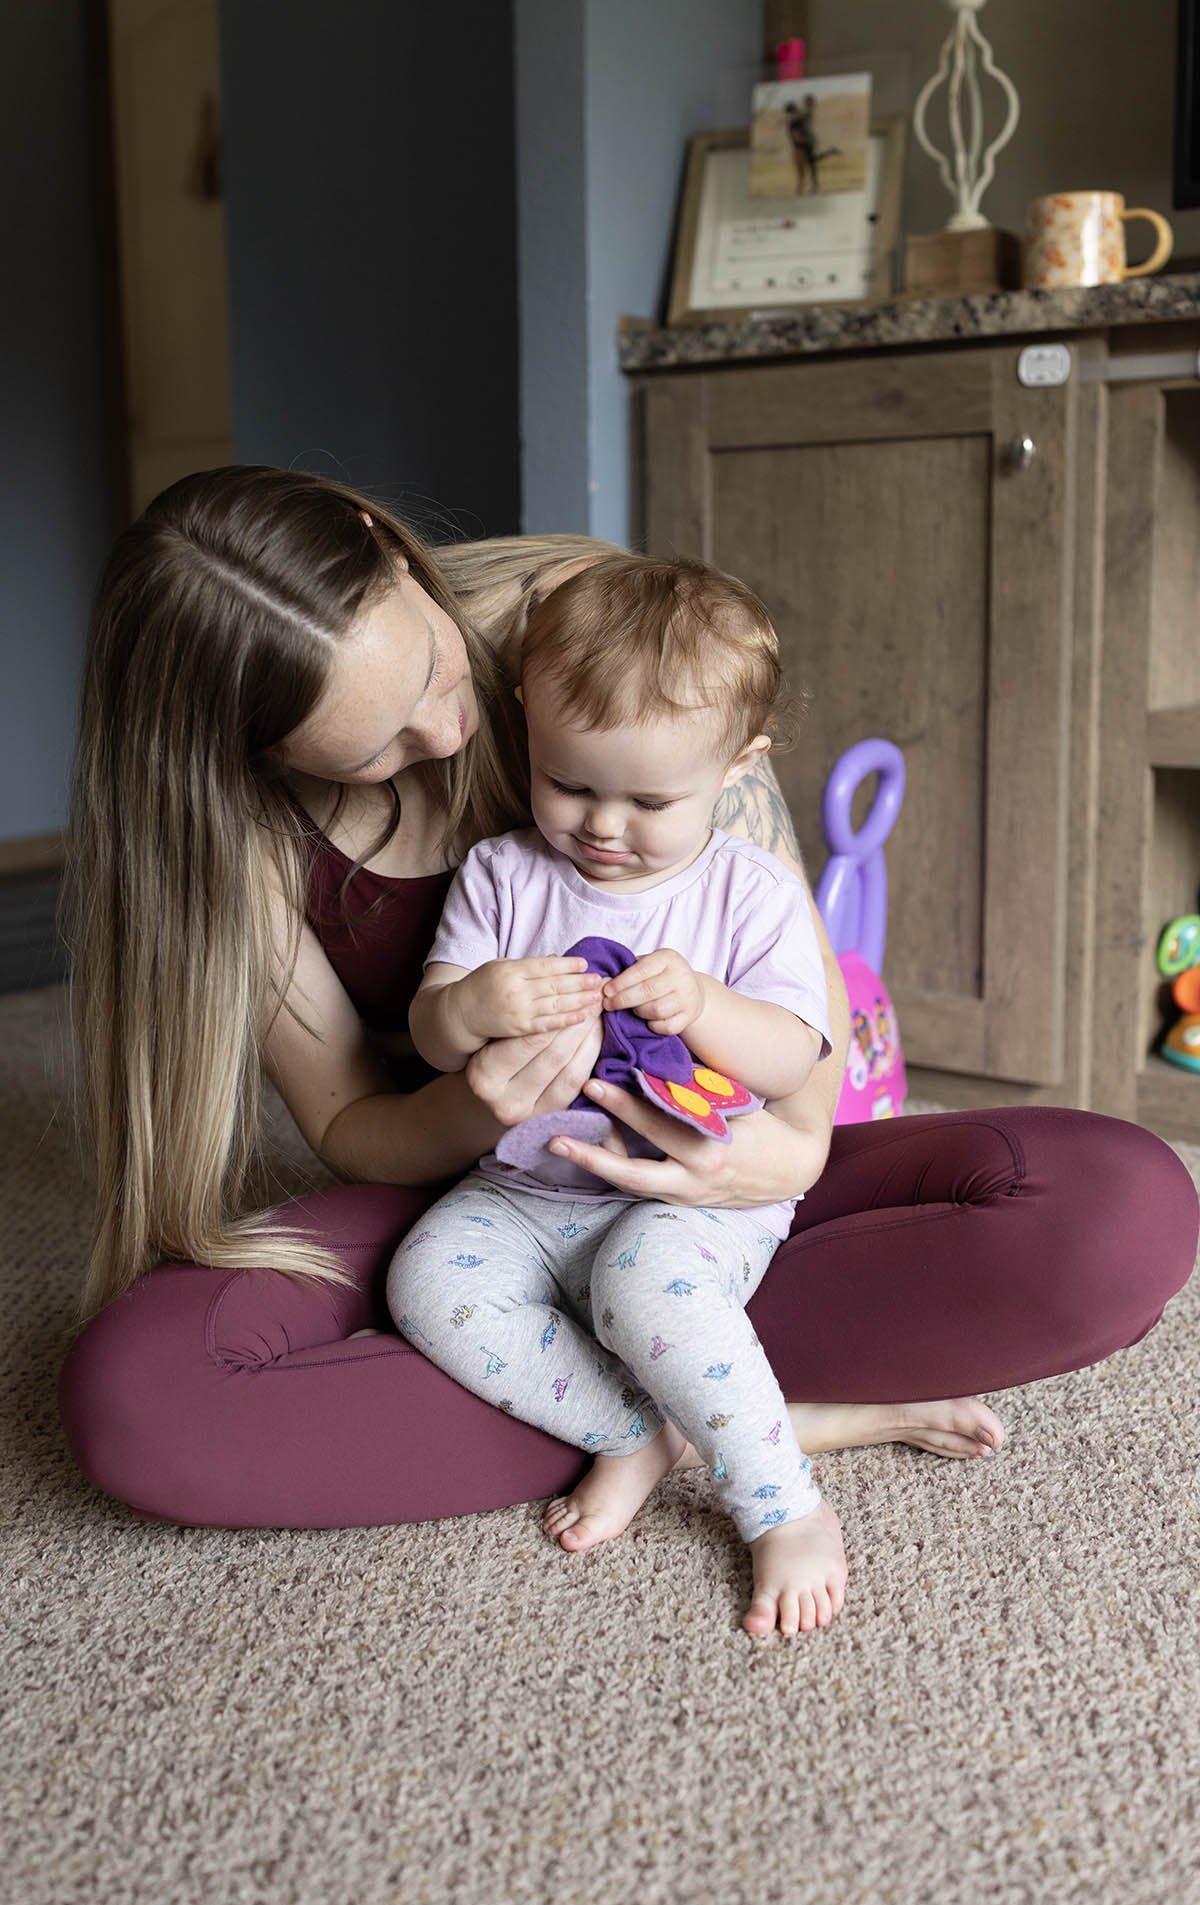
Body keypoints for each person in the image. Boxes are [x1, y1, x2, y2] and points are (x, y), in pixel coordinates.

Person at [58, 467, 1197, 1640]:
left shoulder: (617, 640)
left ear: (380, 543)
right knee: (147, 1401)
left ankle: (704, 1410)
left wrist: (770, 1157)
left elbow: (798, 1042)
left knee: (1122, 1208)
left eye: (436, 676)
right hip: (491, 1183)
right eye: (375, 751)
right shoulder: (313, 851)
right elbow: (360, 1121)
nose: (448, 734)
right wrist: (475, 1095)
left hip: (721, 1169)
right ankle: (701, 1416)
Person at [389, 554, 844, 1633]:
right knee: (424, 1285)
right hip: (525, 1189)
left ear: (737, 766)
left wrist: (706, 1007)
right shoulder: (503, 874)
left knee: (645, 1289)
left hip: (692, 1193)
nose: (602, 824)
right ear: (527, 725)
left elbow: (795, 1057)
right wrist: (473, 1003)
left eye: (649, 800)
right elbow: (430, 1033)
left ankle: (782, 1505)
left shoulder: (750, 891)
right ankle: (639, 1427)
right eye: (570, 782)